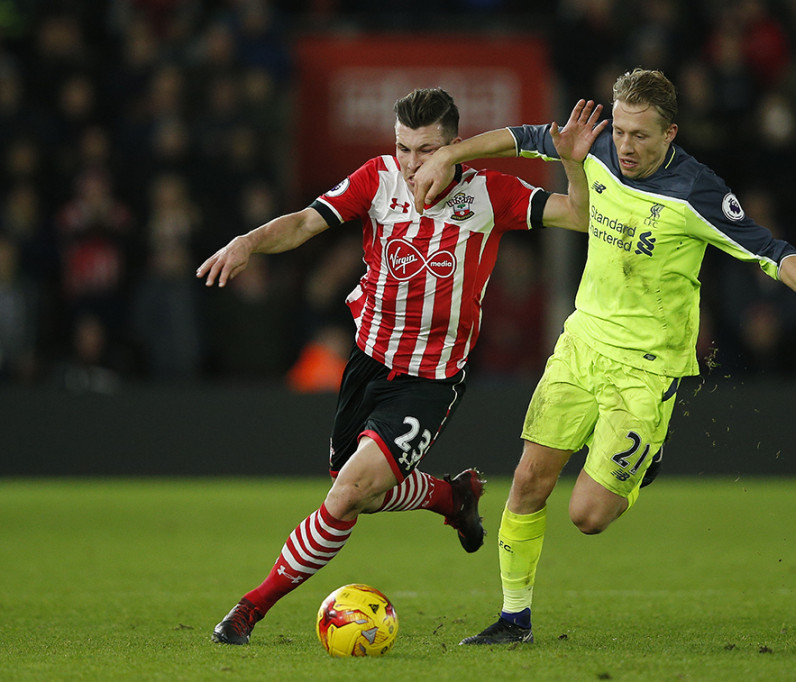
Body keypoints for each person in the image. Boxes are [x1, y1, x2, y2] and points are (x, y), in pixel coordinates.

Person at [412, 68, 796, 645]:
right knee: (530, 479)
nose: (625, 146)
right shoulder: (597, 146)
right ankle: (514, 620)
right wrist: (448, 155)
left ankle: (642, 462)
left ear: (670, 134)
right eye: (622, 129)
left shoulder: (698, 192)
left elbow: (770, 249)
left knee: (588, 516)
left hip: (646, 369)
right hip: (582, 344)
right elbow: (523, 136)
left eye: (641, 136)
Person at [197, 87, 603, 645]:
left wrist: (573, 166)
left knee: (345, 496)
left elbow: (579, 215)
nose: (412, 163)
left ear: (455, 146)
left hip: (430, 378)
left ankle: (250, 609)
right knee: (356, 489)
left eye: (426, 149)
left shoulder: (489, 195)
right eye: (403, 148)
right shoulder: (377, 178)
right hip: (367, 363)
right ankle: (447, 495)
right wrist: (248, 242)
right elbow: (305, 223)